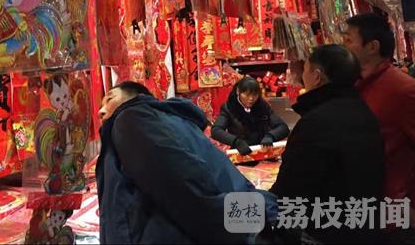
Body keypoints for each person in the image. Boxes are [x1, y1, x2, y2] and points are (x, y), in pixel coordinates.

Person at [96, 81, 278, 244]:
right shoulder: (175, 120)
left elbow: (187, 190)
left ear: (135, 97)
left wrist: (248, 226)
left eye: (110, 99)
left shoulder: (129, 119)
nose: (100, 111)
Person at [270, 44, 384, 244]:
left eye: (305, 70)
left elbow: (289, 192)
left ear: (316, 76)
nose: (301, 77)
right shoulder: (365, 112)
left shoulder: (315, 122)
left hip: (325, 231)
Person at [344, 14, 415, 244]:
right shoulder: (352, 85)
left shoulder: (404, 90)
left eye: (348, 40)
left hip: (393, 221)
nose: (343, 46)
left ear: (372, 47)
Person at [211, 76, 289, 155]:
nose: (251, 99)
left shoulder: (263, 106)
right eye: (247, 95)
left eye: (254, 95)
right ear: (238, 92)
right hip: (241, 152)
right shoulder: (229, 107)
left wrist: (271, 136)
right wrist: (236, 141)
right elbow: (216, 131)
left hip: (264, 151)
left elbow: (283, 127)